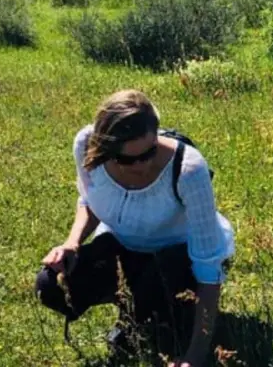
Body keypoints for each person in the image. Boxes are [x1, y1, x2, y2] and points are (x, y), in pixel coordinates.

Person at [36, 90, 235, 366]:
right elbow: (91, 201)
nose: (141, 165)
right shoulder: (85, 146)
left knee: (155, 287)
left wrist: (195, 357)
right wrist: (72, 243)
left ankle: (160, 316)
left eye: (149, 152)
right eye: (127, 160)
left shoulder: (188, 169)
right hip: (123, 247)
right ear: (105, 149)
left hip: (178, 256)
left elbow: (208, 266)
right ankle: (140, 314)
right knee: (49, 285)